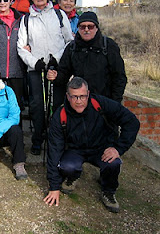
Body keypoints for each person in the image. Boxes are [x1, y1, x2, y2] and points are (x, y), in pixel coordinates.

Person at [43, 77, 140, 213]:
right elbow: (54, 151)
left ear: (88, 94)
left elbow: (132, 122)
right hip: (75, 150)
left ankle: (108, 191)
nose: (79, 101)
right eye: (74, 97)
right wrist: (54, 187)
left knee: (114, 163)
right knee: (67, 166)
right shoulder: (60, 115)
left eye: (82, 96)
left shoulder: (100, 103)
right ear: (68, 96)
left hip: (101, 148)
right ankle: (72, 177)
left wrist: (118, 148)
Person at [17, 0, 73, 156]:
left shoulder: (59, 14)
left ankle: (56, 138)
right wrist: (35, 63)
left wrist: (57, 59)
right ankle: (37, 138)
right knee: (37, 106)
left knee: (57, 104)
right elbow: (21, 46)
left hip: (56, 68)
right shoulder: (26, 19)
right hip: (36, 69)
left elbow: (69, 41)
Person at [47, 11, 127, 103]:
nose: (86, 30)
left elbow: (119, 76)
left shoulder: (109, 46)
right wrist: (55, 76)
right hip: (80, 102)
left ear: (96, 28)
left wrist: (115, 103)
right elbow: (64, 74)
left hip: (105, 100)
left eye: (90, 26)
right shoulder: (72, 48)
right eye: (82, 27)